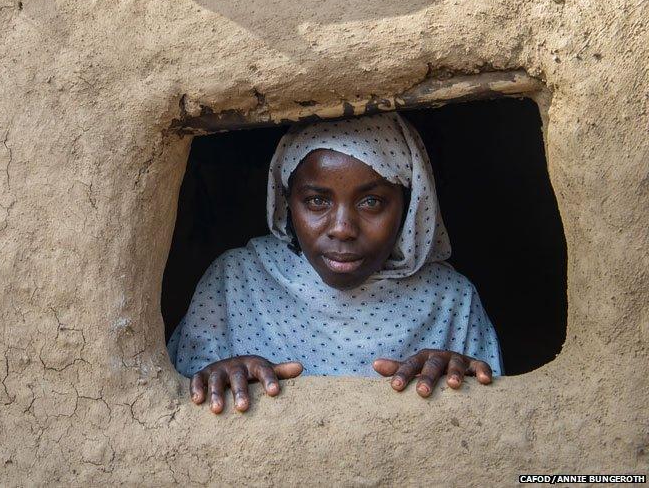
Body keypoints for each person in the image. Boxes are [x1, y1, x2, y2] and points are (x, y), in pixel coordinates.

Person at [166, 112, 503, 414]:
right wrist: (220, 376)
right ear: (286, 201)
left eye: (372, 202)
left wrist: (462, 377)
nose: (342, 228)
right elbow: (179, 402)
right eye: (316, 201)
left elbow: (497, 423)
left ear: (410, 205)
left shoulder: (450, 299)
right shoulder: (236, 280)